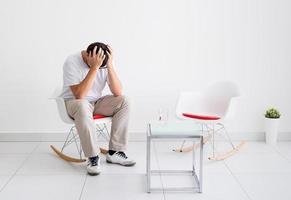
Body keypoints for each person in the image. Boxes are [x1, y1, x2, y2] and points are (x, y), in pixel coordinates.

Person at [61, 42, 135, 176]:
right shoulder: (72, 61)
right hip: (75, 103)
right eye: (97, 63)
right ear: (88, 55)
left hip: (96, 103)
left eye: (102, 66)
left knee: (125, 101)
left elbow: (118, 92)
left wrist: (110, 65)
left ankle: (115, 152)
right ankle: (93, 157)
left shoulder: (105, 61)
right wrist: (94, 68)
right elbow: (80, 95)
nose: (101, 67)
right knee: (83, 104)